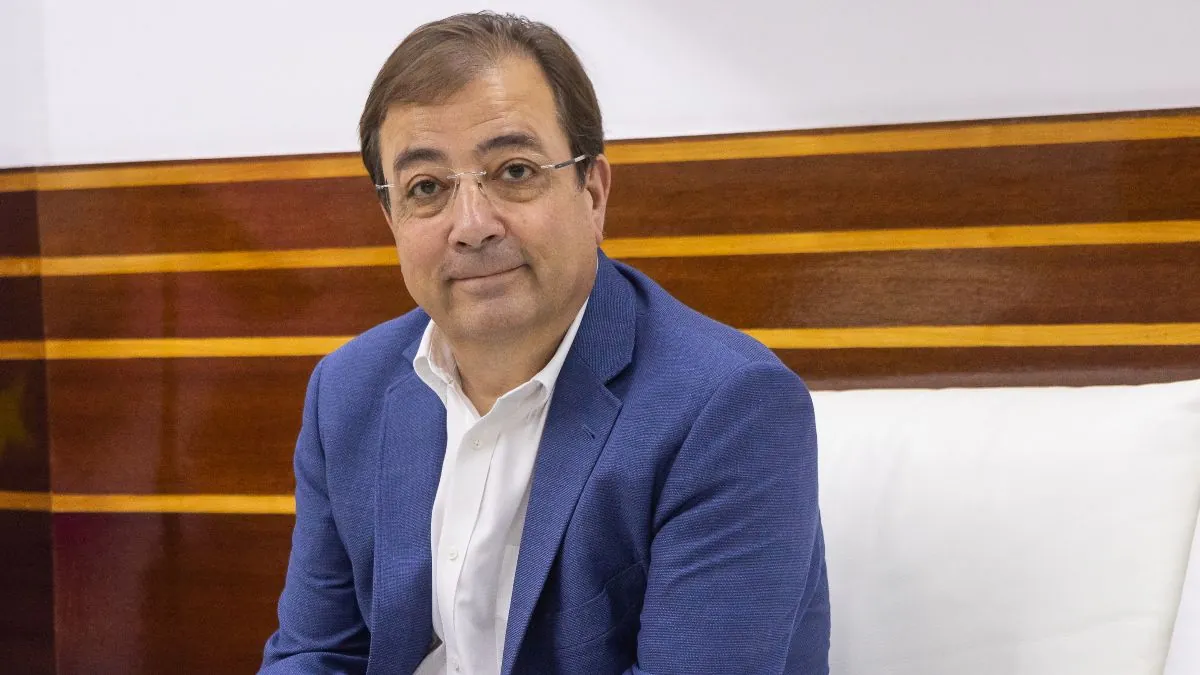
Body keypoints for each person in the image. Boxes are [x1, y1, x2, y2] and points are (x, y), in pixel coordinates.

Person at [261, 11, 828, 675]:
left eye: (514, 171)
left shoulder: (729, 408)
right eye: (427, 188)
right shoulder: (346, 390)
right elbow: (317, 653)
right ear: (391, 218)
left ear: (593, 192)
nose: (472, 225)